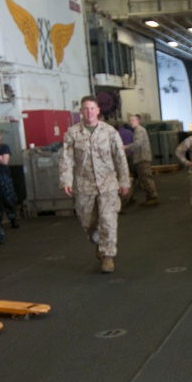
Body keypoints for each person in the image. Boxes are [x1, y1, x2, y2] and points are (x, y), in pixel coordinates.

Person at [60, 95, 132, 273]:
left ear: (98, 110)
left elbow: (120, 158)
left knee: (108, 220)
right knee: (88, 221)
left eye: (92, 108)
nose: (89, 112)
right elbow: (66, 159)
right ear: (81, 112)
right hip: (84, 185)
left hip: (108, 184)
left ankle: (107, 256)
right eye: (86, 108)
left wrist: (124, 180)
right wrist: (66, 180)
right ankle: (100, 242)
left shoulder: (109, 132)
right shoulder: (72, 133)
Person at [125, 114, 159, 206]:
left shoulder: (139, 130)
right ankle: (149, 197)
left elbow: (137, 143)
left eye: (132, 120)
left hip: (142, 158)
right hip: (141, 157)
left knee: (146, 178)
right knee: (143, 178)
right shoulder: (138, 130)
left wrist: (125, 147)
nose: (130, 122)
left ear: (138, 120)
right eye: (130, 120)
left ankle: (153, 196)